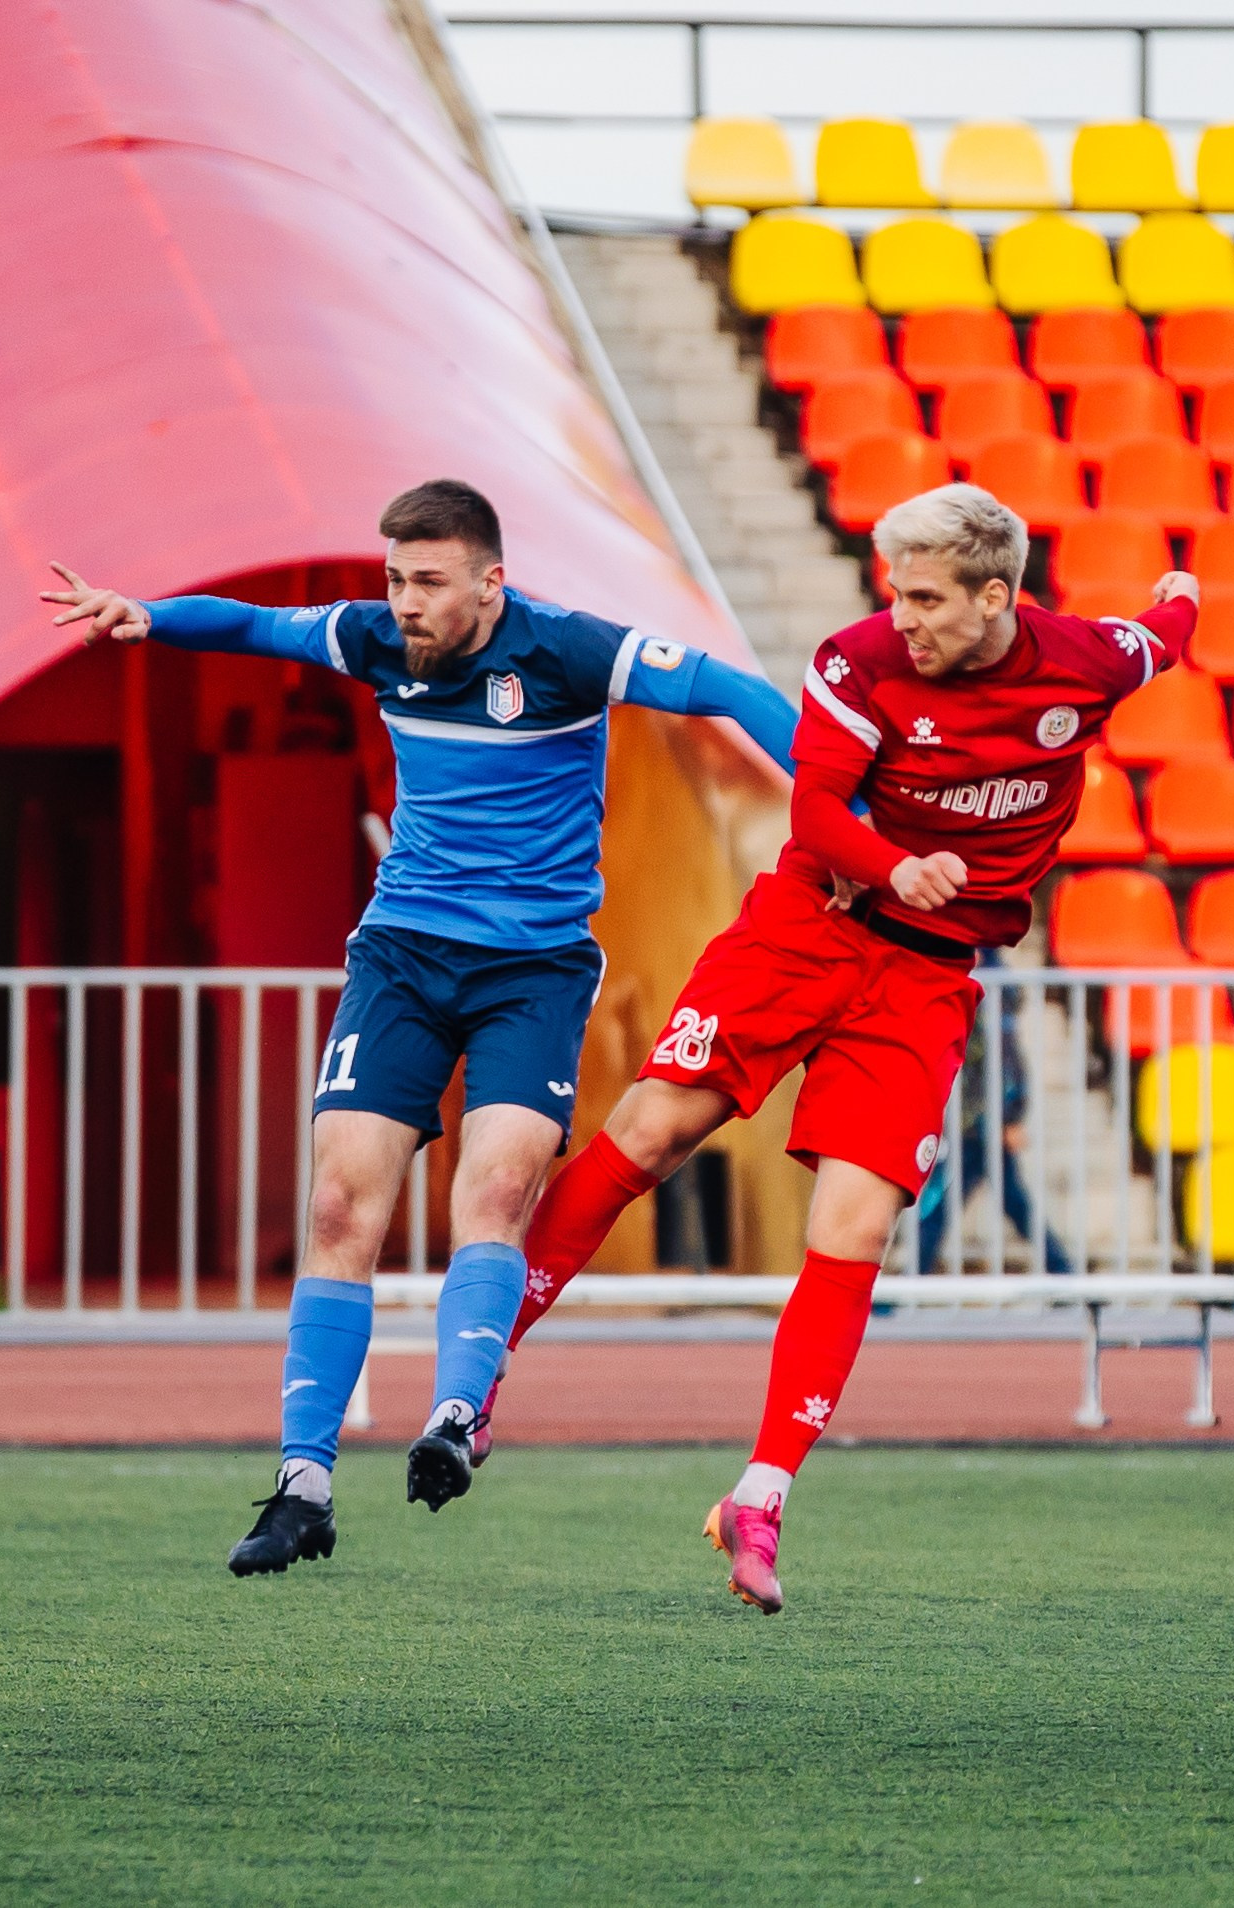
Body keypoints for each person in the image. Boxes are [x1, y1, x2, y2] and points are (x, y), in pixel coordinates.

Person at [41, 479, 798, 1576]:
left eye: (428, 582)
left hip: (532, 971)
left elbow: (729, 686)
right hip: (399, 958)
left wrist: (841, 802)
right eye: (395, 578)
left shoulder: (570, 651)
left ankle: (453, 1415)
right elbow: (254, 629)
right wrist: (148, 613)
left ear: (490, 582)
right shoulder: (375, 639)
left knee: (493, 1192)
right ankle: (303, 1487)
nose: (403, 602)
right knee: (341, 1202)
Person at [484, 483, 1197, 1613]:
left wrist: (1179, 593)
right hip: (808, 926)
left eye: (923, 596)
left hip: (925, 978)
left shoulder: (1084, 664)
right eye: (893, 591)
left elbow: (1159, 640)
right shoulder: (859, 662)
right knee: (652, 1130)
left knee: (856, 1224)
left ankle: (760, 1495)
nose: (900, 614)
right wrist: (891, 864)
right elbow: (813, 809)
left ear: (996, 596)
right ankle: (482, 1367)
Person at [914, 952, 1072, 1277]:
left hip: (980, 1122)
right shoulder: (981, 973)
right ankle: (1064, 1274)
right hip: (979, 1117)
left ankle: (901, 1289)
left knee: (939, 1205)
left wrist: (1008, 1116)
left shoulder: (988, 982)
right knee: (1014, 1203)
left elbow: (1007, 1060)